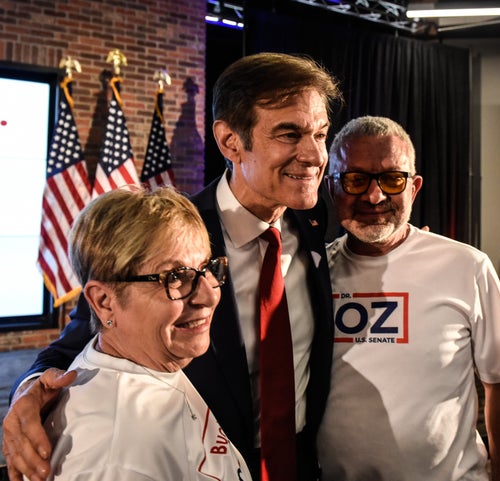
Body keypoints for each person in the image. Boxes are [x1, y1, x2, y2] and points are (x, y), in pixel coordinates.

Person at [3, 52, 342, 481]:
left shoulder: (313, 220)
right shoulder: (168, 238)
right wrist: (26, 394)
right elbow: (86, 338)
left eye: (321, 134)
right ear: (230, 141)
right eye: (289, 134)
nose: (314, 154)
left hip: (300, 462)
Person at [318, 116, 500, 481]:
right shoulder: (312, 274)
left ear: (414, 187)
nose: (374, 196)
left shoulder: (466, 266)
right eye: (356, 180)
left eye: (392, 179)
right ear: (332, 188)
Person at [34, 186, 251, 479]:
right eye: (175, 277)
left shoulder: (148, 358)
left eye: (206, 268)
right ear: (104, 302)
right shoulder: (117, 457)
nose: (209, 296)